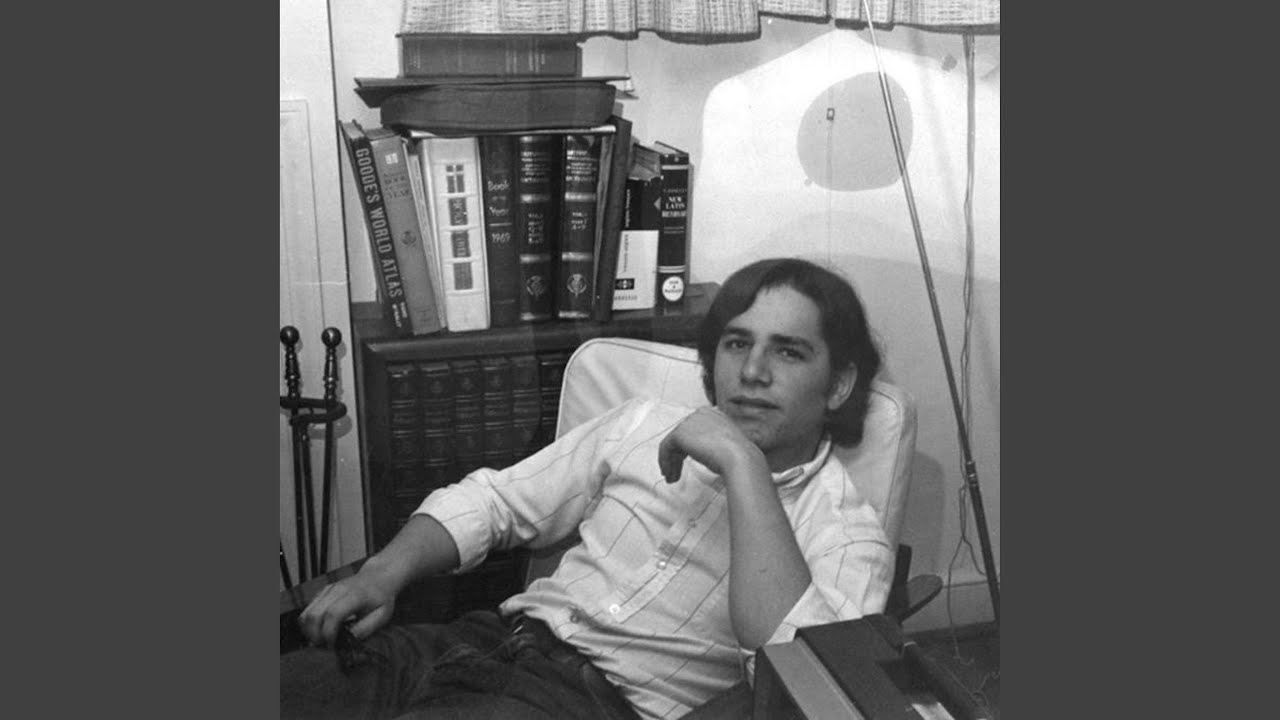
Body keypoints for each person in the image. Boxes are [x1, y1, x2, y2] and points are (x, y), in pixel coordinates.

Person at [281, 257, 896, 720]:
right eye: (738, 343)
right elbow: (495, 501)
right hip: (476, 642)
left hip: (582, 704)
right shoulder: (642, 424)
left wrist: (742, 465)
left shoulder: (847, 537)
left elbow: (805, 682)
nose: (753, 371)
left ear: (839, 385)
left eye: (788, 353)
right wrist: (381, 574)